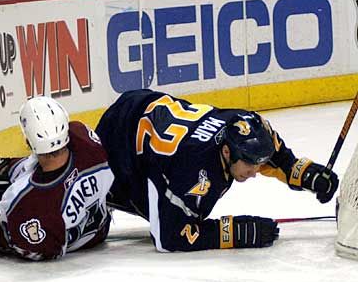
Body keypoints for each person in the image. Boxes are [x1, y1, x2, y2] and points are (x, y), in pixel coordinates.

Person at [95, 89, 339, 252]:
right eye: (249, 163)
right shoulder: (195, 169)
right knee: (98, 226)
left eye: (258, 162)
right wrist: (238, 232)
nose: (255, 171)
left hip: (151, 111)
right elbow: (169, 237)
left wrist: (307, 175)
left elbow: (277, 157)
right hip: (120, 142)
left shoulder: (250, 125)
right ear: (225, 152)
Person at [0, 96, 114, 260]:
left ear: (28, 142)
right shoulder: (85, 139)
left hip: (56, 241)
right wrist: (12, 167)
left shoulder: (25, 202)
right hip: (98, 230)